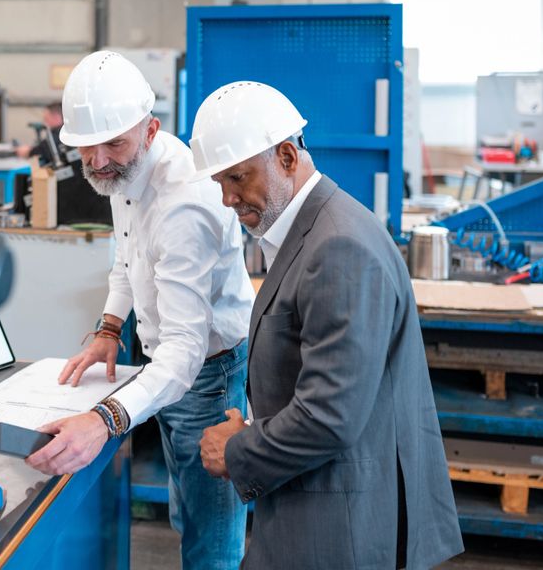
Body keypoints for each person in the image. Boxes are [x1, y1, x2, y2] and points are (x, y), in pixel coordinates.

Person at [194, 81, 464, 570]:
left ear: (287, 157)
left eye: (238, 177)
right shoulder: (311, 231)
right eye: (220, 184)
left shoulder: (338, 247)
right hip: (321, 498)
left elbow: (330, 415)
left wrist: (239, 450)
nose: (229, 198)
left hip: (341, 522)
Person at [25, 52, 255, 569]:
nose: (100, 159)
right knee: (188, 516)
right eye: (87, 147)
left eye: (115, 143)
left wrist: (105, 420)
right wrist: (109, 326)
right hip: (172, 372)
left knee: (212, 543)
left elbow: (183, 354)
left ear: (150, 130)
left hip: (208, 375)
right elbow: (127, 257)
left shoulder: (185, 205)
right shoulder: (122, 173)